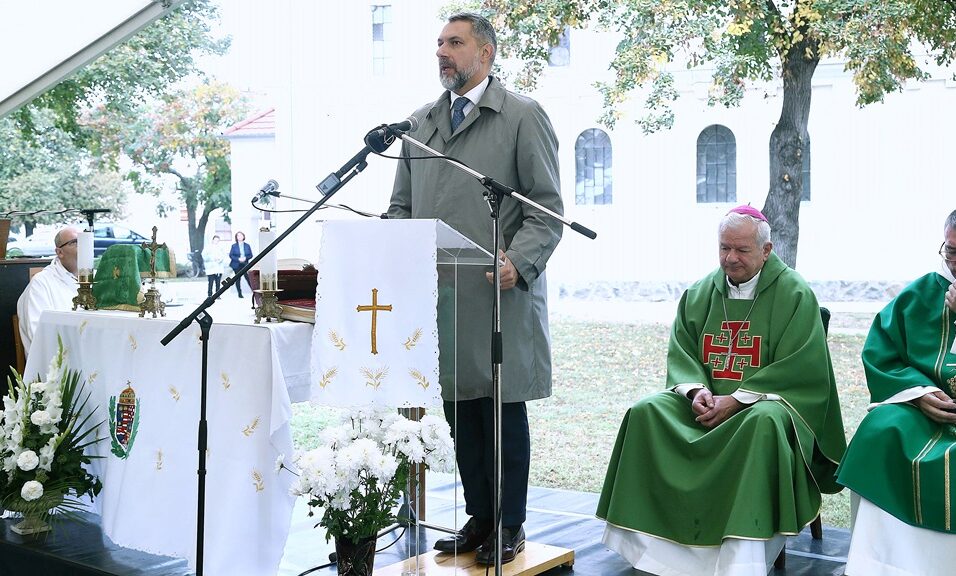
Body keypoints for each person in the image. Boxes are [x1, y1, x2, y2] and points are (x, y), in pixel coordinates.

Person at [387, 12, 563, 565]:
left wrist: (520, 260)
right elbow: (400, 207)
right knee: (460, 410)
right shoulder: (419, 124)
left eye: (454, 43)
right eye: (439, 43)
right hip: (441, 299)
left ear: (485, 54)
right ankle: (480, 517)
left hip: (498, 293)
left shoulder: (522, 116)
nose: (442, 52)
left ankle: (510, 525)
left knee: (501, 410)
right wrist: (390, 250)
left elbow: (547, 209)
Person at [596, 206, 846, 576]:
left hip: (764, 405)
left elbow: (801, 369)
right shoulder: (700, 293)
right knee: (645, 411)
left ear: (767, 250)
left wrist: (738, 399)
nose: (730, 258)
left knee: (765, 422)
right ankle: (653, 548)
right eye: (724, 248)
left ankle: (741, 557)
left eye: (742, 250)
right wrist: (697, 391)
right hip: (706, 405)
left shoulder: (794, 293)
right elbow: (682, 350)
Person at [836, 209, 956, 576]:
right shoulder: (923, 293)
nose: (954, 263)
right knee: (881, 429)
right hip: (932, 415)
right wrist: (917, 392)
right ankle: (879, 566)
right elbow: (882, 353)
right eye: (950, 252)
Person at [16, 226, 80, 356]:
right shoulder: (41, 283)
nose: (83, 247)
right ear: (59, 252)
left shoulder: (97, 278)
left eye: (85, 242)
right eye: (75, 242)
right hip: (56, 361)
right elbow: (38, 333)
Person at [228, 231, 253, 298]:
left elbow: (251, 255)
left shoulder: (247, 245)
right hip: (236, 264)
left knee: (248, 278)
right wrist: (238, 259)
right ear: (236, 237)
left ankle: (253, 292)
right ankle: (239, 293)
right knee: (238, 279)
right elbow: (231, 255)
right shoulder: (234, 246)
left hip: (245, 263)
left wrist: (245, 258)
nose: (240, 237)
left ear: (243, 236)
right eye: (238, 236)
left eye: (241, 235)